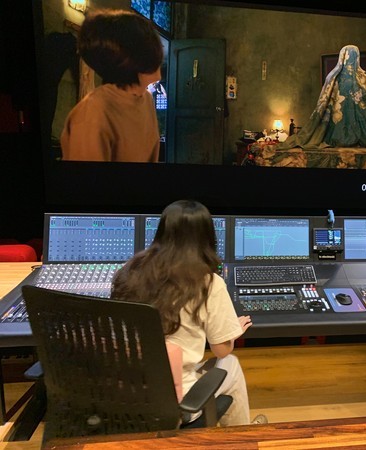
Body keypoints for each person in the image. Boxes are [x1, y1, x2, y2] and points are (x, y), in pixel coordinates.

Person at [111, 200, 266, 426]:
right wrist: (231, 332)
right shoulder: (208, 283)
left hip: (122, 391)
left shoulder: (129, 272)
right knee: (230, 363)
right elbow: (221, 350)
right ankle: (243, 436)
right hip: (174, 401)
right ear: (207, 237)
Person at [60, 9, 162, 162]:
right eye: (149, 50)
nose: (158, 55)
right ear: (126, 60)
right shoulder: (95, 111)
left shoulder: (146, 99)